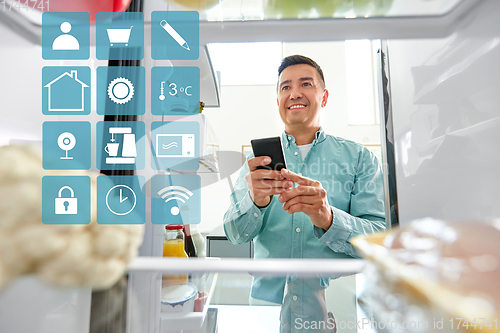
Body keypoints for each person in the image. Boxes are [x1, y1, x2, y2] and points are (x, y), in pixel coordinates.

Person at [223, 55, 386, 332]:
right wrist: (256, 202)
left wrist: (329, 218)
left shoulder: (360, 159)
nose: (294, 93)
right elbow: (235, 235)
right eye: (285, 87)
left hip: (339, 308)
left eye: (305, 84)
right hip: (265, 311)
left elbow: (379, 239)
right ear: (278, 103)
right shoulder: (257, 164)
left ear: (324, 97)